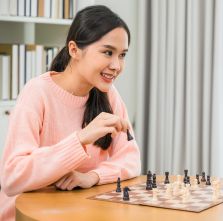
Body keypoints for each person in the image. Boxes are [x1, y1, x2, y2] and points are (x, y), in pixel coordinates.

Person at [0, 5, 141, 221]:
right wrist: (80, 139)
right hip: (27, 215)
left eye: (122, 55)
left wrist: (92, 177)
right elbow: (12, 177)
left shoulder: (109, 94)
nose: (116, 65)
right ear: (74, 50)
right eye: (107, 52)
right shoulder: (37, 92)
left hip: (79, 212)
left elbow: (131, 159)